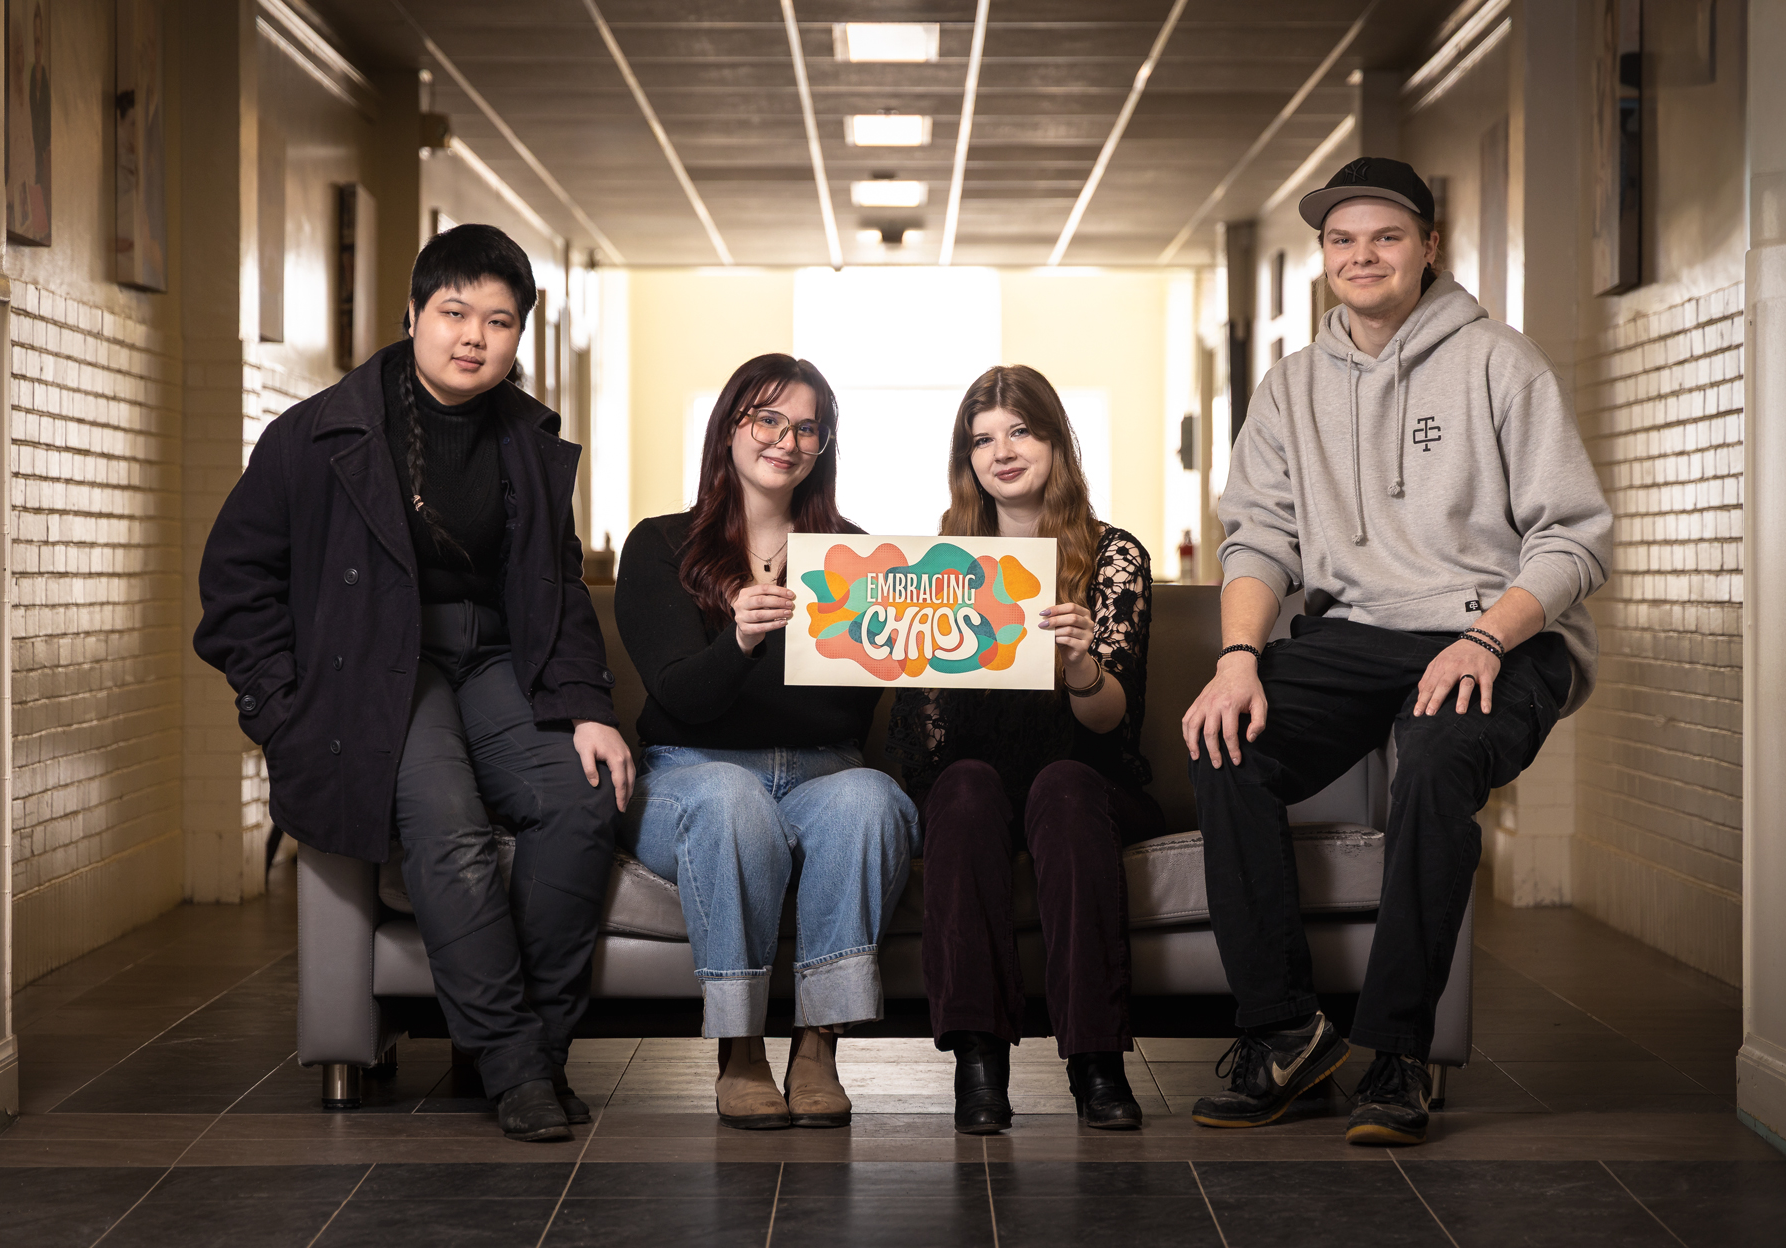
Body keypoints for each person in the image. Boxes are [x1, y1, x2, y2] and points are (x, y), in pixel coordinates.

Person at [1183, 158, 1612, 1146]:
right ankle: (1285, 1029)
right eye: (1341, 240)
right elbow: (1256, 535)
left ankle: (1398, 1051)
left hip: (1498, 629)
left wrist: (1479, 637)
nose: (1360, 255)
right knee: (1224, 744)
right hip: (1356, 630)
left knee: (1429, 760)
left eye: (1383, 237)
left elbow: (1571, 539)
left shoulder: (1499, 362)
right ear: (1324, 256)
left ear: (1424, 246)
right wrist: (1237, 656)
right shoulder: (1290, 386)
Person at [195, 225, 632, 1144]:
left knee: (582, 802)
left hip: (499, 662)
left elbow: (556, 587)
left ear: (520, 337)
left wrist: (588, 707)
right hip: (380, 674)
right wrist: (286, 712)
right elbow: (234, 585)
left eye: (500, 320)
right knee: (449, 827)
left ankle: (528, 1057)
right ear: (414, 312)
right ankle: (519, 1074)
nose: (474, 336)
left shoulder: (527, 440)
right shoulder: (317, 434)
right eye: (454, 312)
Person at [614, 354, 919, 1131]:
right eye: (767, 418)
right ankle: (741, 1051)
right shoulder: (659, 546)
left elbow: (848, 717)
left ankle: (818, 1048)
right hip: (693, 774)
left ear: (823, 446)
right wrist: (740, 641)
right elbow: (681, 697)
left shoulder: (859, 559)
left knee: (872, 798)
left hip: (825, 774)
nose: (787, 439)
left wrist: (910, 639)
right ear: (729, 429)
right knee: (730, 800)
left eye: (807, 426)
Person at [890, 365, 1163, 1135]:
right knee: (968, 786)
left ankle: (1096, 1061)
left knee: (1063, 786)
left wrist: (1080, 664)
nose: (1001, 451)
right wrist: (913, 653)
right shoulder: (938, 565)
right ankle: (979, 1064)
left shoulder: (1113, 557)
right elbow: (926, 743)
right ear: (966, 458)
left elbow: (1115, 722)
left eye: (1020, 431)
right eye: (982, 439)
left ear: (1055, 443)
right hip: (975, 783)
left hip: (1085, 779)